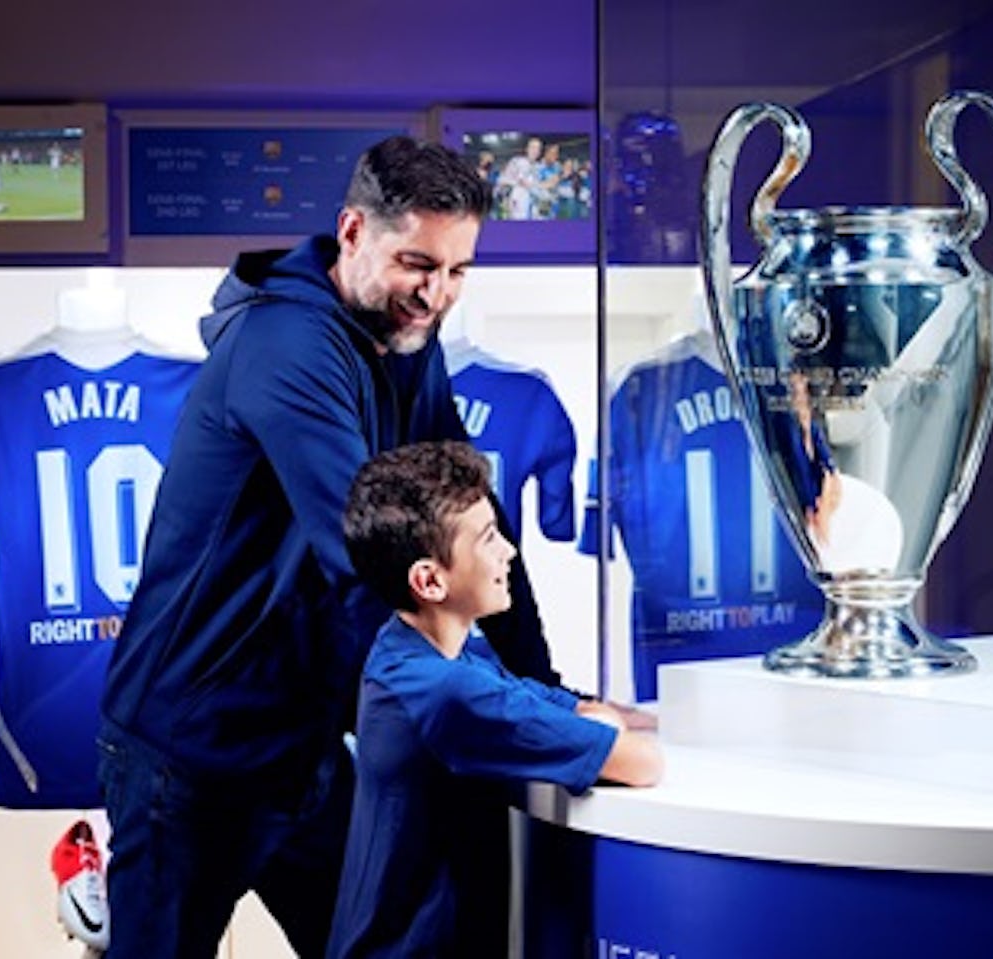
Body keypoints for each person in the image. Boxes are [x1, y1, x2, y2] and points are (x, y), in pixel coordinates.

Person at [97, 135, 566, 958]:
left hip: (300, 747)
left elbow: (476, 518)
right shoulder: (289, 349)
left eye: (458, 271)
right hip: (188, 752)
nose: (436, 294)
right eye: (419, 263)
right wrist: (506, 713)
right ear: (353, 232)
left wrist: (541, 684)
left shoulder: (408, 341)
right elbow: (371, 566)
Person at [329, 440, 663, 958]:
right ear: (429, 580)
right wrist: (605, 728)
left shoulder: (422, 653)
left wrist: (595, 717)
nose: (508, 551)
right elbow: (642, 763)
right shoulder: (450, 692)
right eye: (487, 539)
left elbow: (552, 702)